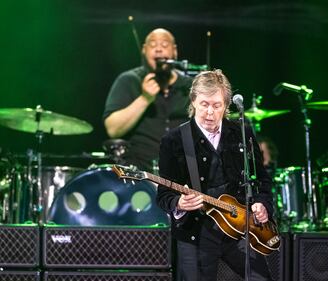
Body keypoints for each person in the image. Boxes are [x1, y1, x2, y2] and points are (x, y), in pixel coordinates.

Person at [156, 69, 274, 281]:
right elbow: (163, 195)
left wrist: (263, 204)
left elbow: (262, 181)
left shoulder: (241, 134)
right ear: (193, 101)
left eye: (217, 105)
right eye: (204, 104)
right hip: (196, 232)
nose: (210, 112)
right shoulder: (174, 140)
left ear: (226, 106)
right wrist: (179, 203)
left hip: (238, 228)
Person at [103, 28, 193, 171]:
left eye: (164, 45)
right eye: (152, 45)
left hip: (184, 175)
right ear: (144, 50)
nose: (158, 49)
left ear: (174, 51)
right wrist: (145, 98)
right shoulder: (129, 80)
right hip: (139, 176)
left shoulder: (190, 85)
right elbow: (113, 129)